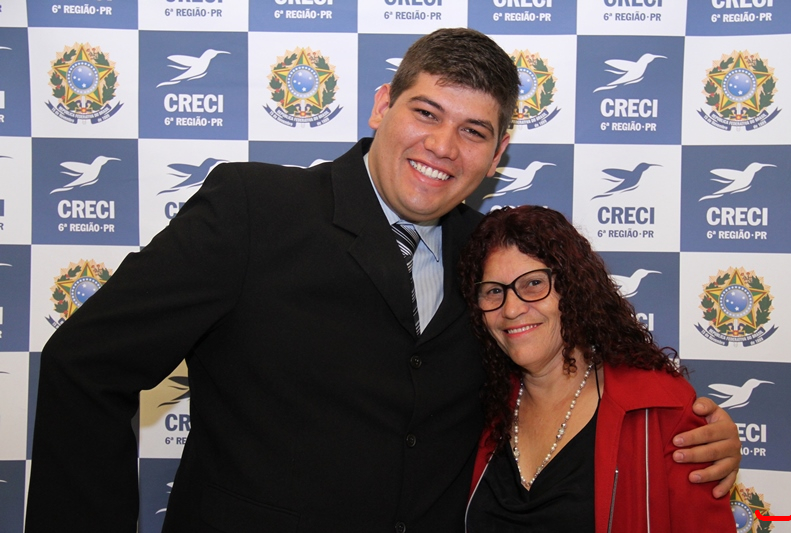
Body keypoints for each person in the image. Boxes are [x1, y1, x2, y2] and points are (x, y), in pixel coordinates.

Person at [26, 29, 739, 533]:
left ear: (498, 153)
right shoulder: (253, 208)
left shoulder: (490, 255)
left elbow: (571, 370)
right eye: (426, 112)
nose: (442, 146)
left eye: (473, 131)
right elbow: (86, 364)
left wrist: (689, 427)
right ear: (380, 107)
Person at [460, 205, 737, 532]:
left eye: (533, 283)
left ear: (573, 289)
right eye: (494, 291)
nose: (511, 309)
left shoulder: (660, 410)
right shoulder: (478, 404)